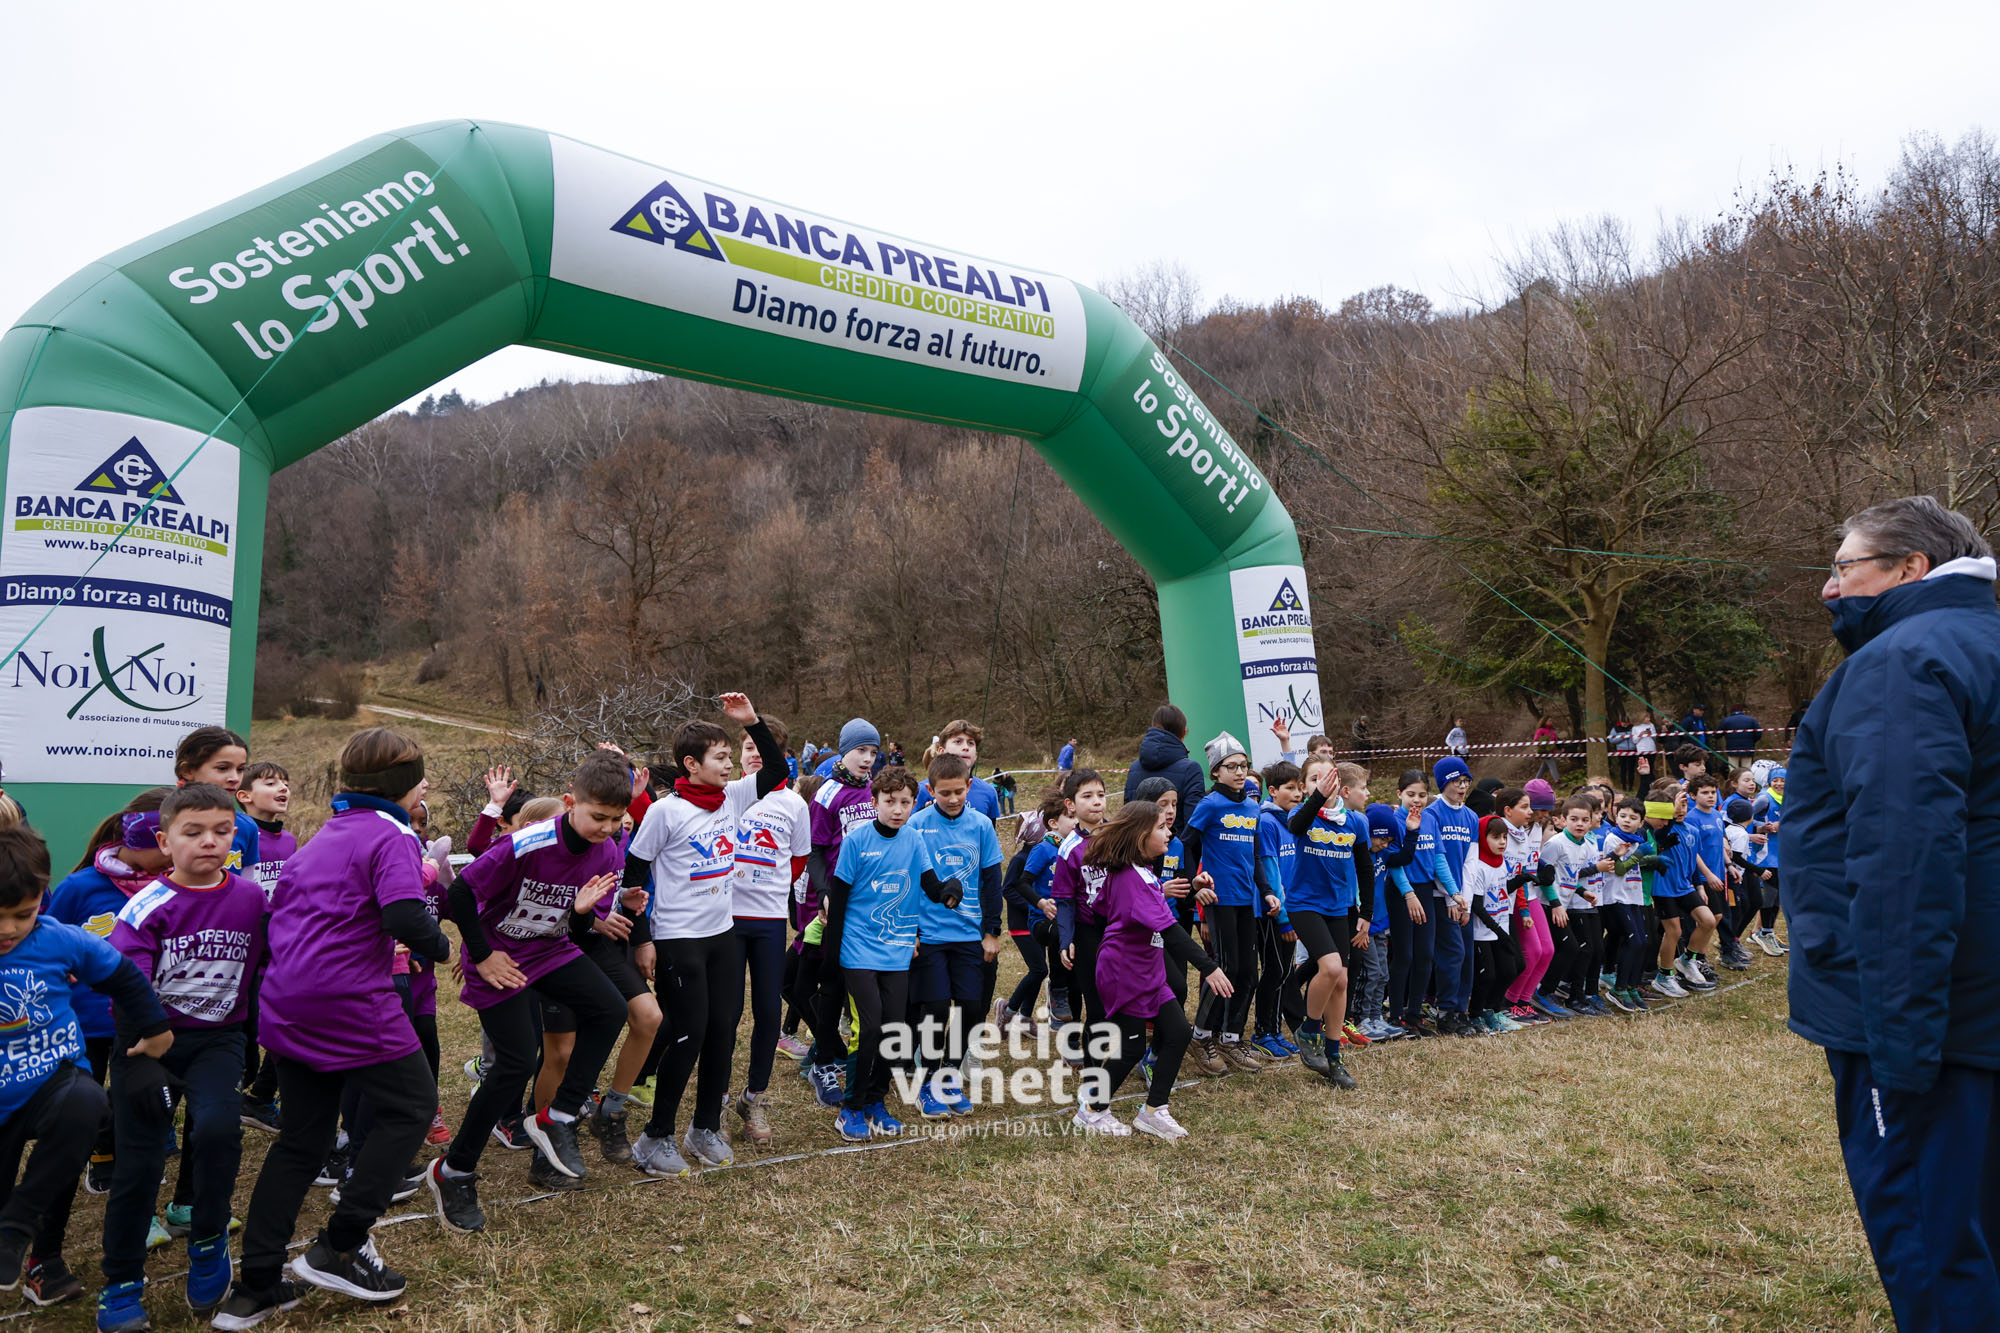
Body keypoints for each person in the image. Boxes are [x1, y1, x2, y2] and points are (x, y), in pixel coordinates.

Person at [1786, 495, 2000, 1331]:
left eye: (1845, 566)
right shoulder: (1978, 644)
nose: (1829, 587)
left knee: (1935, 1245)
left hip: (1925, 1020)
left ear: (1912, 567)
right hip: (1979, 1003)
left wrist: (1899, 1047)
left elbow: (1904, 857)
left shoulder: (1903, 662)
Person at [222, 727, 453, 1325]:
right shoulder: (393, 834)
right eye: (421, 780)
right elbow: (406, 913)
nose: (424, 788)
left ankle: (256, 1286)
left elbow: (284, 912)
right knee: (413, 1106)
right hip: (348, 998)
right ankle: (342, 1244)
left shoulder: (324, 835)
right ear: (405, 787)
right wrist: (441, 945)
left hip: (287, 1000)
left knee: (303, 1139)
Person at [434, 751, 637, 1226]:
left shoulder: (608, 851)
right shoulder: (529, 842)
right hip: (498, 956)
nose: (608, 828)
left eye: (616, 820)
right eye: (598, 817)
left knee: (611, 1009)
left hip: (549, 950)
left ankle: (557, 1117)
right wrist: (482, 954)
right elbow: (461, 892)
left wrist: (583, 914)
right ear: (571, 802)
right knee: (517, 1063)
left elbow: (580, 933)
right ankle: (454, 1170)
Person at [99, 784, 268, 1327]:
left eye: (221, 831)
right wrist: (145, 1048)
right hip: (148, 1043)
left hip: (219, 1040)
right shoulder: (146, 905)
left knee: (218, 1131)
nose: (209, 842)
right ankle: (121, 1281)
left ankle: (209, 1241)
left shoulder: (251, 899)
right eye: (193, 832)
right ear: (165, 841)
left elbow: (272, 959)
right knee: (140, 1162)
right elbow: (125, 981)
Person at [0, 826, 169, 1318]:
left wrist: (155, 1028)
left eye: (23, 914)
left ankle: (21, 1229)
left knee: (88, 1101)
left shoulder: (59, 939)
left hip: (51, 1079)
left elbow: (122, 975)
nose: (9, 929)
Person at [622, 694, 785, 1177]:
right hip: (679, 940)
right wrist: (642, 939)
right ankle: (655, 1137)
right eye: (720, 758)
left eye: (730, 757)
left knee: (721, 1034)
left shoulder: (732, 797)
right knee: (688, 1035)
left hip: (722, 936)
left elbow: (777, 768)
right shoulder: (664, 812)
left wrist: (752, 722)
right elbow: (633, 879)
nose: (730, 765)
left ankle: (705, 1127)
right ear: (691, 765)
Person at [1071, 800, 1233, 1139]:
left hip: (1147, 967)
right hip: (1124, 973)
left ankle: (1154, 1111)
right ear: (1141, 835)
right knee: (1131, 1047)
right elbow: (1171, 932)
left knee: (1178, 1031)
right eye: (1161, 827)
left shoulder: (1140, 872)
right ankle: (1092, 1111)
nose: (1169, 832)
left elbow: (1108, 907)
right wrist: (1209, 967)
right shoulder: (1132, 877)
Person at [824, 767, 960, 1141]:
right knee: (869, 1028)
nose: (897, 809)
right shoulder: (856, 842)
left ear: (914, 803)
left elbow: (932, 887)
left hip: (897, 953)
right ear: (875, 802)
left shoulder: (914, 840)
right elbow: (838, 902)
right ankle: (851, 1109)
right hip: (857, 951)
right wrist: (831, 959)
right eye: (889, 801)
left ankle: (875, 1101)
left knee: (894, 1031)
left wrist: (950, 891)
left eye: (905, 802)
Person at [726, 721, 810, 1145]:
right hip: (723, 920)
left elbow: (798, 860)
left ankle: (753, 1098)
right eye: (749, 747)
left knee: (767, 1010)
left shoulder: (794, 804)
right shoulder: (726, 794)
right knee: (725, 1012)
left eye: (766, 748)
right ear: (738, 754)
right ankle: (717, 1099)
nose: (756, 754)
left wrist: (768, 887)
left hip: (769, 920)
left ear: (783, 756)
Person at [906, 754, 1003, 1118]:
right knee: (934, 1009)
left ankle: (949, 1076)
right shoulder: (916, 825)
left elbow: (992, 881)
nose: (952, 798)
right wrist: (911, 931)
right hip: (929, 934)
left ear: (969, 787)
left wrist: (991, 931)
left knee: (971, 1008)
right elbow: (907, 881)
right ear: (930, 790)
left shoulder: (982, 825)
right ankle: (928, 1083)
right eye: (944, 792)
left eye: (959, 791)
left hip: (969, 935)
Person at [1183, 734, 1275, 1072]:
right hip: (1219, 899)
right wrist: (1195, 886)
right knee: (1225, 968)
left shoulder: (1252, 808)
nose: (1239, 772)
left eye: (1243, 766)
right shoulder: (1209, 805)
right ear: (1216, 772)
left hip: (1246, 900)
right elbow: (1186, 846)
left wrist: (1266, 890)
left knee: (1249, 972)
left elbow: (1255, 855)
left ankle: (1231, 1039)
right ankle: (1201, 1036)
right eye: (1231, 766)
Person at [1125, 705, 1207, 836]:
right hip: (1177, 845)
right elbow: (1194, 824)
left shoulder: (1134, 767)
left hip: (1140, 845)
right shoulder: (1191, 769)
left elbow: (1128, 818)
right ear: (1184, 733)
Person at [1531, 717, 1561, 784]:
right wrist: (1537, 750)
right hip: (1544, 751)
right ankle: (1557, 780)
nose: (1551, 722)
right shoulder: (1540, 730)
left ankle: (1535, 781)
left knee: (1543, 768)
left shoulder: (1552, 731)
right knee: (1552, 763)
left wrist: (1561, 748)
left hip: (1551, 751)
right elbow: (1536, 740)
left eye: (1551, 720)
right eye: (1549, 720)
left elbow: (1556, 741)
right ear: (1545, 721)